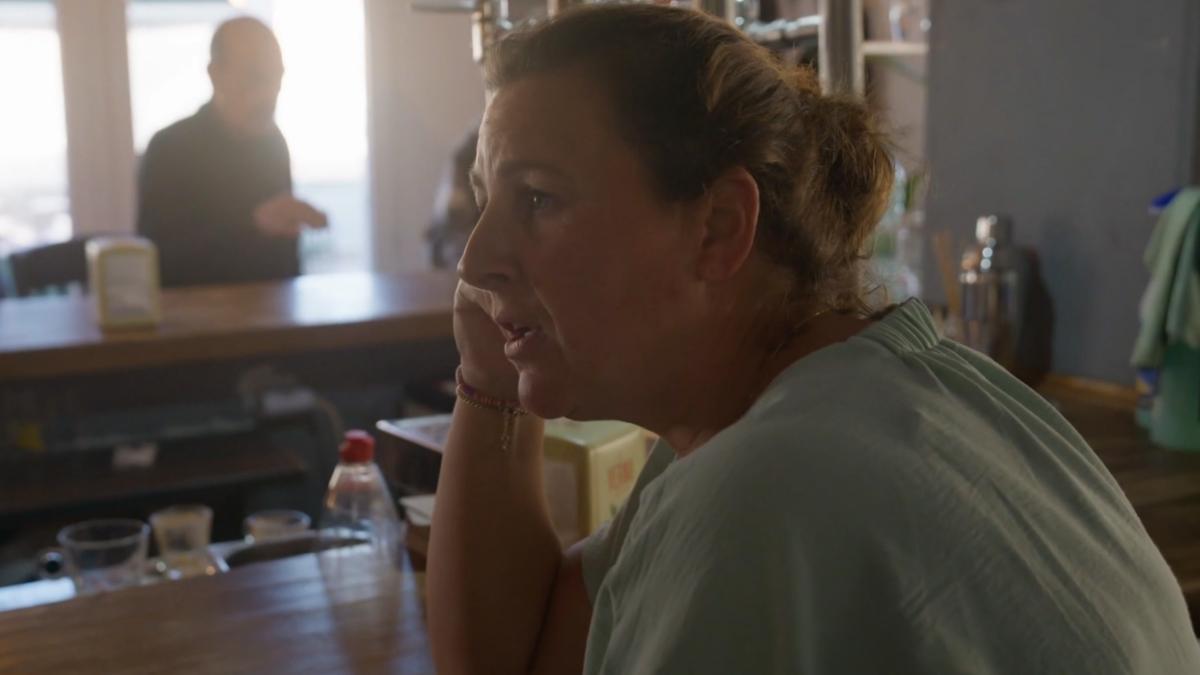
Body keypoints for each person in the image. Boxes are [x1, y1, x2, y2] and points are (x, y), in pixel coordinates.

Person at [427, 5, 1200, 675]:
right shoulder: (907, 391)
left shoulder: (759, 488)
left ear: (719, 228)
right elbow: (519, 657)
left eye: (538, 198)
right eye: (487, 199)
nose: (475, 260)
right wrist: (490, 382)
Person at [136, 16, 326, 288]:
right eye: (255, 76)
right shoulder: (169, 149)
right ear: (216, 75)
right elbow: (157, 260)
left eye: (276, 76)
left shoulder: (273, 144)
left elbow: (285, 261)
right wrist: (254, 225)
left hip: (270, 310)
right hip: (195, 314)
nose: (269, 92)